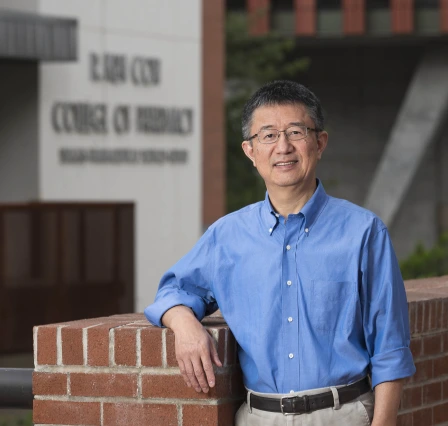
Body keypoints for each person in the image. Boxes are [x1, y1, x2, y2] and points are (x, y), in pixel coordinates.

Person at [144, 80, 415, 426]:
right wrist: (184, 324)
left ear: (320, 143)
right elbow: (172, 290)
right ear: (250, 151)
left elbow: (390, 344)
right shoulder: (227, 236)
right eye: (268, 135)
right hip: (259, 417)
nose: (283, 147)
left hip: (344, 415)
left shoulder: (364, 232)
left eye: (295, 132)